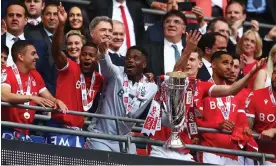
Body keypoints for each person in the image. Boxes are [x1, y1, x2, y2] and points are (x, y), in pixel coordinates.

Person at [47, 3, 104, 148]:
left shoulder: (98, 78)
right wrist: (60, 25)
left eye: (91, 55)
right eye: (69, 44)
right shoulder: (68, 67)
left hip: (79, 132)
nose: (73, 46)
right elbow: (55, 52)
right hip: (59, 129)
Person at [86, 41, 158, 154]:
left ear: (144, 65)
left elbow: (137, 113)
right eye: (128, 57)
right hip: (100, 136)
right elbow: (106, 65)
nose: (130, 60)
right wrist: (103, 54)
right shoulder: (116, 74)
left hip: (125, 139)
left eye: (136, 58)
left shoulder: (151, 87)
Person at [197, 51, 255, 165]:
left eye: (232, 64)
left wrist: (244, 127)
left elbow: (240, 117)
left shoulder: (235, 92)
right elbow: (196, 123)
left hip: (233, 153)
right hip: (210, 150)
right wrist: (217, 126)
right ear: (213, 64)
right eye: (225, 63)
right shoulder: (202, 89)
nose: (230, 68)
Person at [1, 40, 67, 141]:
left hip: (26, 132)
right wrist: (31, 97)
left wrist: (56, 101)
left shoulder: (35, 75)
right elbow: (4, 95)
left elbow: (47, 96)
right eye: (33, 54)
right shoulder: (6, 72)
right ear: (21, 57)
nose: (37, 57)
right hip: (5, 130)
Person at [246, 62, 276, 165]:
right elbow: (247, 127)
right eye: (275, 72)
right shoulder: (256, 96)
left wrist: (274, 131)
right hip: (259, 157)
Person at [144, 10, 187, 77]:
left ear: (184, 29)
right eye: (167, 21)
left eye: (176, 22)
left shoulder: (190, 50)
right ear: (163, 27)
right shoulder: (149, 50)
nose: (171, 24)